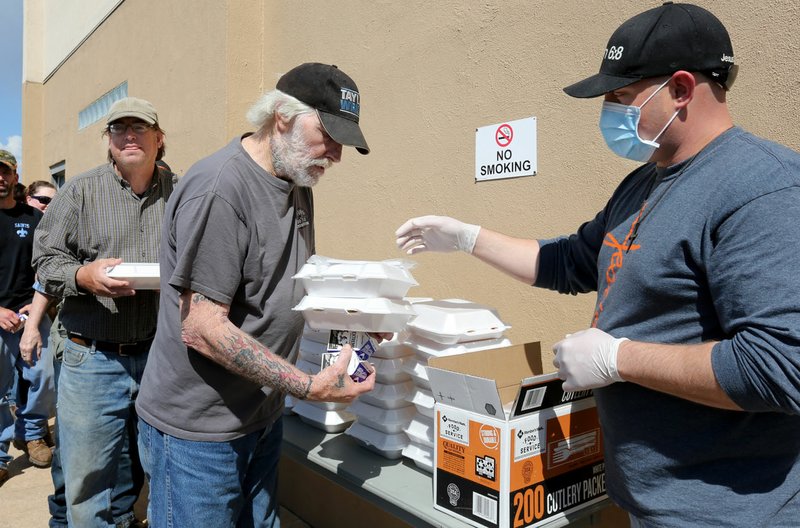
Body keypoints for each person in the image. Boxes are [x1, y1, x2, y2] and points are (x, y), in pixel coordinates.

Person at [396, 4, 800, 527]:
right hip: (648, 501)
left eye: (620, 97)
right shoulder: (643, 183)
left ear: (680, 89)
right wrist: (468, 237)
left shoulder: (761, 190)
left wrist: (618, 359)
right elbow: (570, 262)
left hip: (728, 511)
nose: (609, 112)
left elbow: (780, 368)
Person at [136, 62, 377, 527]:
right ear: (283, 116)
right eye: (327, 135)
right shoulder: (221, 190)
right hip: (200, 436)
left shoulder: (295, 179)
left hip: (261, 415)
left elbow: (284, 286)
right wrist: (306, 387)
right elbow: (202, 327)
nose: (336, 156)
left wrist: (360, 323)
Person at [33, 97, 174, 527]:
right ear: (108, 140)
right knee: (87, 483)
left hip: (156, 356)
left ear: (158, 138)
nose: (129, 136)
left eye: (139, 127)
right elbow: (44, 260)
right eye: (118, 129)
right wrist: (82, 276)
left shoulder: (181, 192)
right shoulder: (78, 191)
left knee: (146, 471)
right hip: (91, 356)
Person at [0, 149, 56, 486]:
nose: (0, 179)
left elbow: (48, 266)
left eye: (5, 172)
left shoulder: (33, 219)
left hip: (30, 316)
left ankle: (33, 434)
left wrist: (36, 307)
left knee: (44, 379)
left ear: (15, 176)